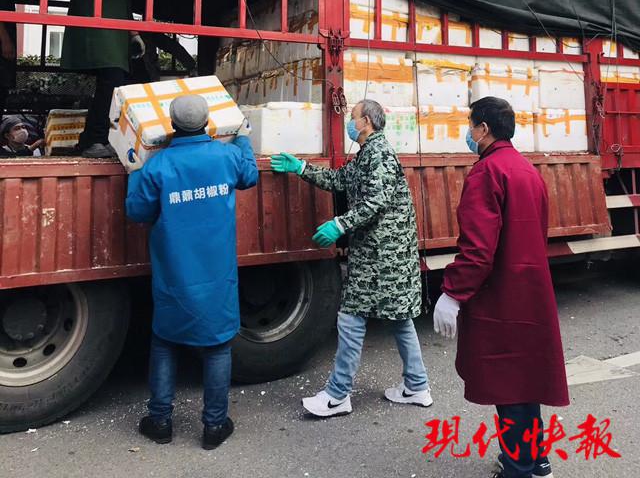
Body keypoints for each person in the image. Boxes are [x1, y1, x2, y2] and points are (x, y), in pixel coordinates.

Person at [433, 96, 569, 478]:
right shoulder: (526, 170)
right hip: (528, 290)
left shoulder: (487, 172)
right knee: (523, 380)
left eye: (471, 124)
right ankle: (534, 461)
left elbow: (478, 250)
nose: (469, 132)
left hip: (501, 296)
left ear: (483, 129)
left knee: (508, 384)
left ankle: (519, 468)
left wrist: (452, 293)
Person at [271, 98, 431, 417]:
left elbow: (376, 201)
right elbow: (339, 180)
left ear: (366, 122)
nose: (349, 121)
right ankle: (417, 385)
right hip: (384, 254)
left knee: (350, 316)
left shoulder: (379, 153)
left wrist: (340, 224)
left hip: (382, 257)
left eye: (352, 116)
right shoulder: (367, 153)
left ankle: (337, 395)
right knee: (399, 319)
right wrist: (301, 168)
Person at [125, 94, 258, 450]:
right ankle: (214, 426)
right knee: (217, 346)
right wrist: (244, 138)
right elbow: (250, 175)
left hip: (173, 274)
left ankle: (160, 421)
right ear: (207, 122)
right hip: (217, 274)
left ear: (171, 125)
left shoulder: (158, 165)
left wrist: (135, 171)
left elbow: (137, 212)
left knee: (165, 341)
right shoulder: (227, 156)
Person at [61, 0, 145, 158]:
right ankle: (96, 139)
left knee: (111, 84)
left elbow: (124, 3)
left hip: (117, 32)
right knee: (112, 80)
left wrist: (134, 33)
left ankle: (91, 139)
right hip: (98, 29)